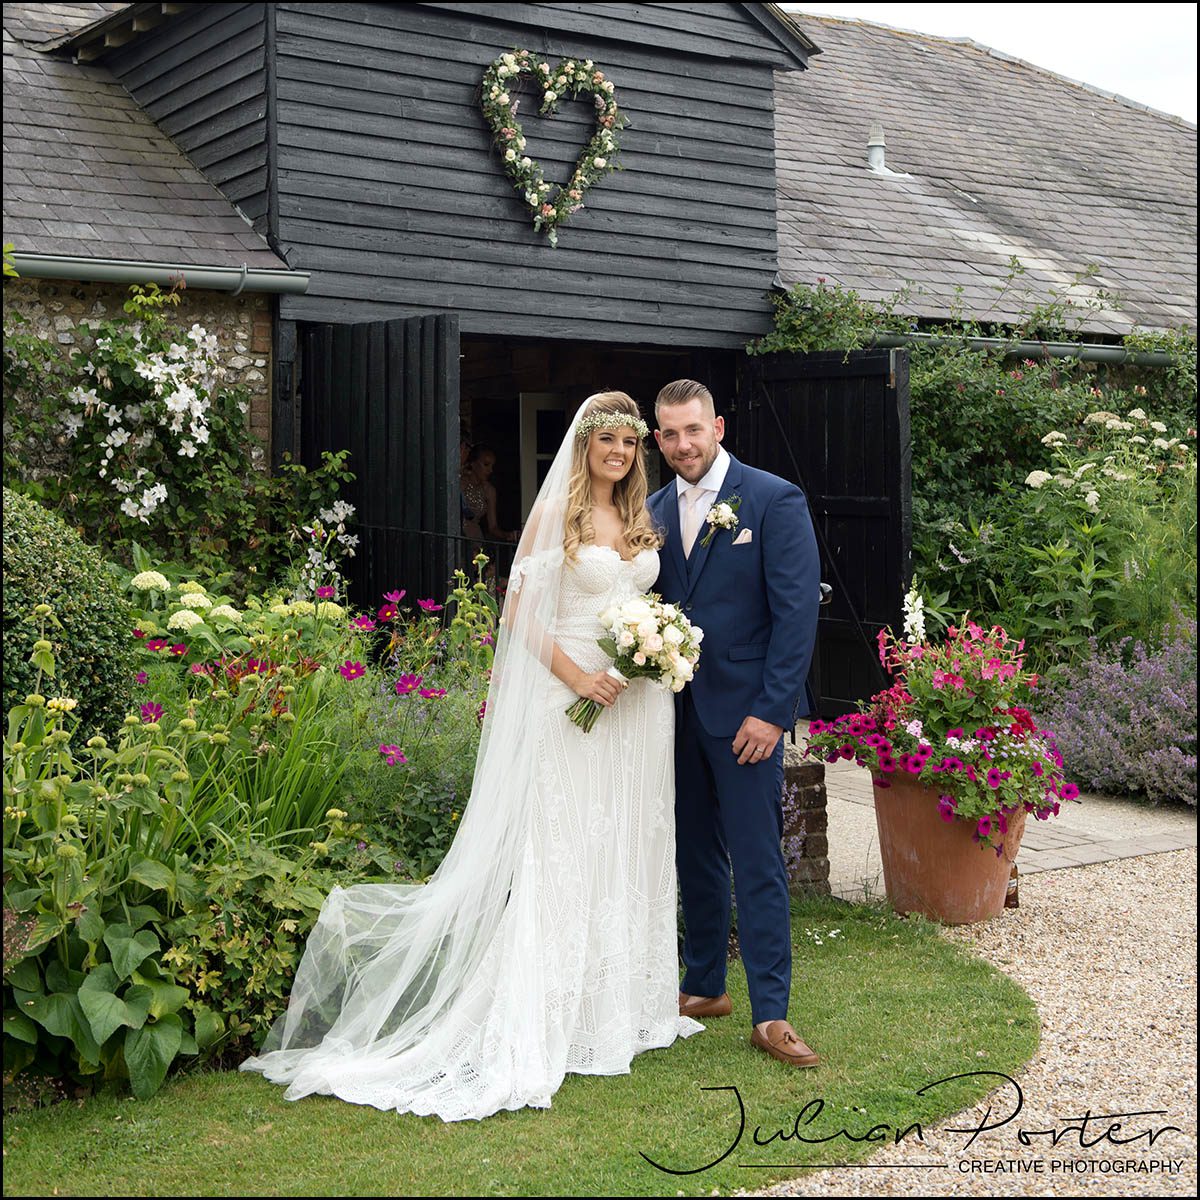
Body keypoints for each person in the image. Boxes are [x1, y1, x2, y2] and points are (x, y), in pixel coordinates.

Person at [242, 392, 702, 1121]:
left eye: (627, 441)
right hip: (576, 699)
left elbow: (647, 607)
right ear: (583, 447)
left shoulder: (642, 520)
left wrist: (655, 653)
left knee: (626, 842)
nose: (618, 451)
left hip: (639, 710)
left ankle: (620, 1010)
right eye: (605, 440)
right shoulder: (560, 516)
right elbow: (518, 609)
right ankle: (551, 1010)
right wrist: (580, 676)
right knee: (568, 848)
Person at [647, 379, 823, 1068]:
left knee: (756, 860)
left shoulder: (773, 499)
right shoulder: (655, 508)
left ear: (717, 426)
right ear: (658, 440)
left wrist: (773, 712)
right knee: (693, 851)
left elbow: (797, 613)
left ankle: (772, 1014)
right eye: (670, 434)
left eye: (694, 430)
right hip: (675, 713)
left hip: (747, 716)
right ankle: (705, 985)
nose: (684, 444)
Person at [460, 444, 519, 544]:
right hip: (457, 537)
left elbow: (493, 527)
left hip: (475, 539)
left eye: (492, 466)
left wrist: (508, 535)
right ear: (473, 464)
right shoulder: (460, 483)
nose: (490, 470)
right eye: (486, 464)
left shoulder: (489, 490)